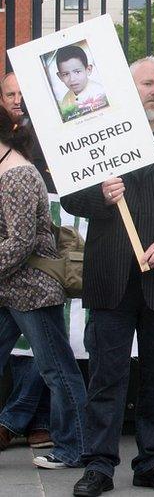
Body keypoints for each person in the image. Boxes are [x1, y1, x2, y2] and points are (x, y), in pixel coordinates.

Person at [61, 57, 154, 497]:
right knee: (106, 376)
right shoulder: (98, 139)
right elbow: (70, 197)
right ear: (129, 86)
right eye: (147, 83)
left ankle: (153, 461)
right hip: (110, 275)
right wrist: (100, 195)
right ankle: (99, 464)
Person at [0, 109, 88, 470]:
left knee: (58, 371)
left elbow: (19, 242)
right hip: (9, 289)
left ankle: (76, 447)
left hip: (31, 291)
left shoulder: (17, 174)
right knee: (56, 369)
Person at [0, 72, 53, 453]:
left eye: (23, 91)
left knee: (47, 349)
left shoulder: (48, 133)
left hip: (38, 264)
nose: (17, 99)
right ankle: (24, 419)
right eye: (10, 93)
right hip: (11, 266)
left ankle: (27, 420)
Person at [54, 45, 109, 122]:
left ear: (88, 70)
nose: (72, 79)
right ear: (60, 77)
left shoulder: (101, 92)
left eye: (77, 72)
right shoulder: (66, 100)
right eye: (66, 74)